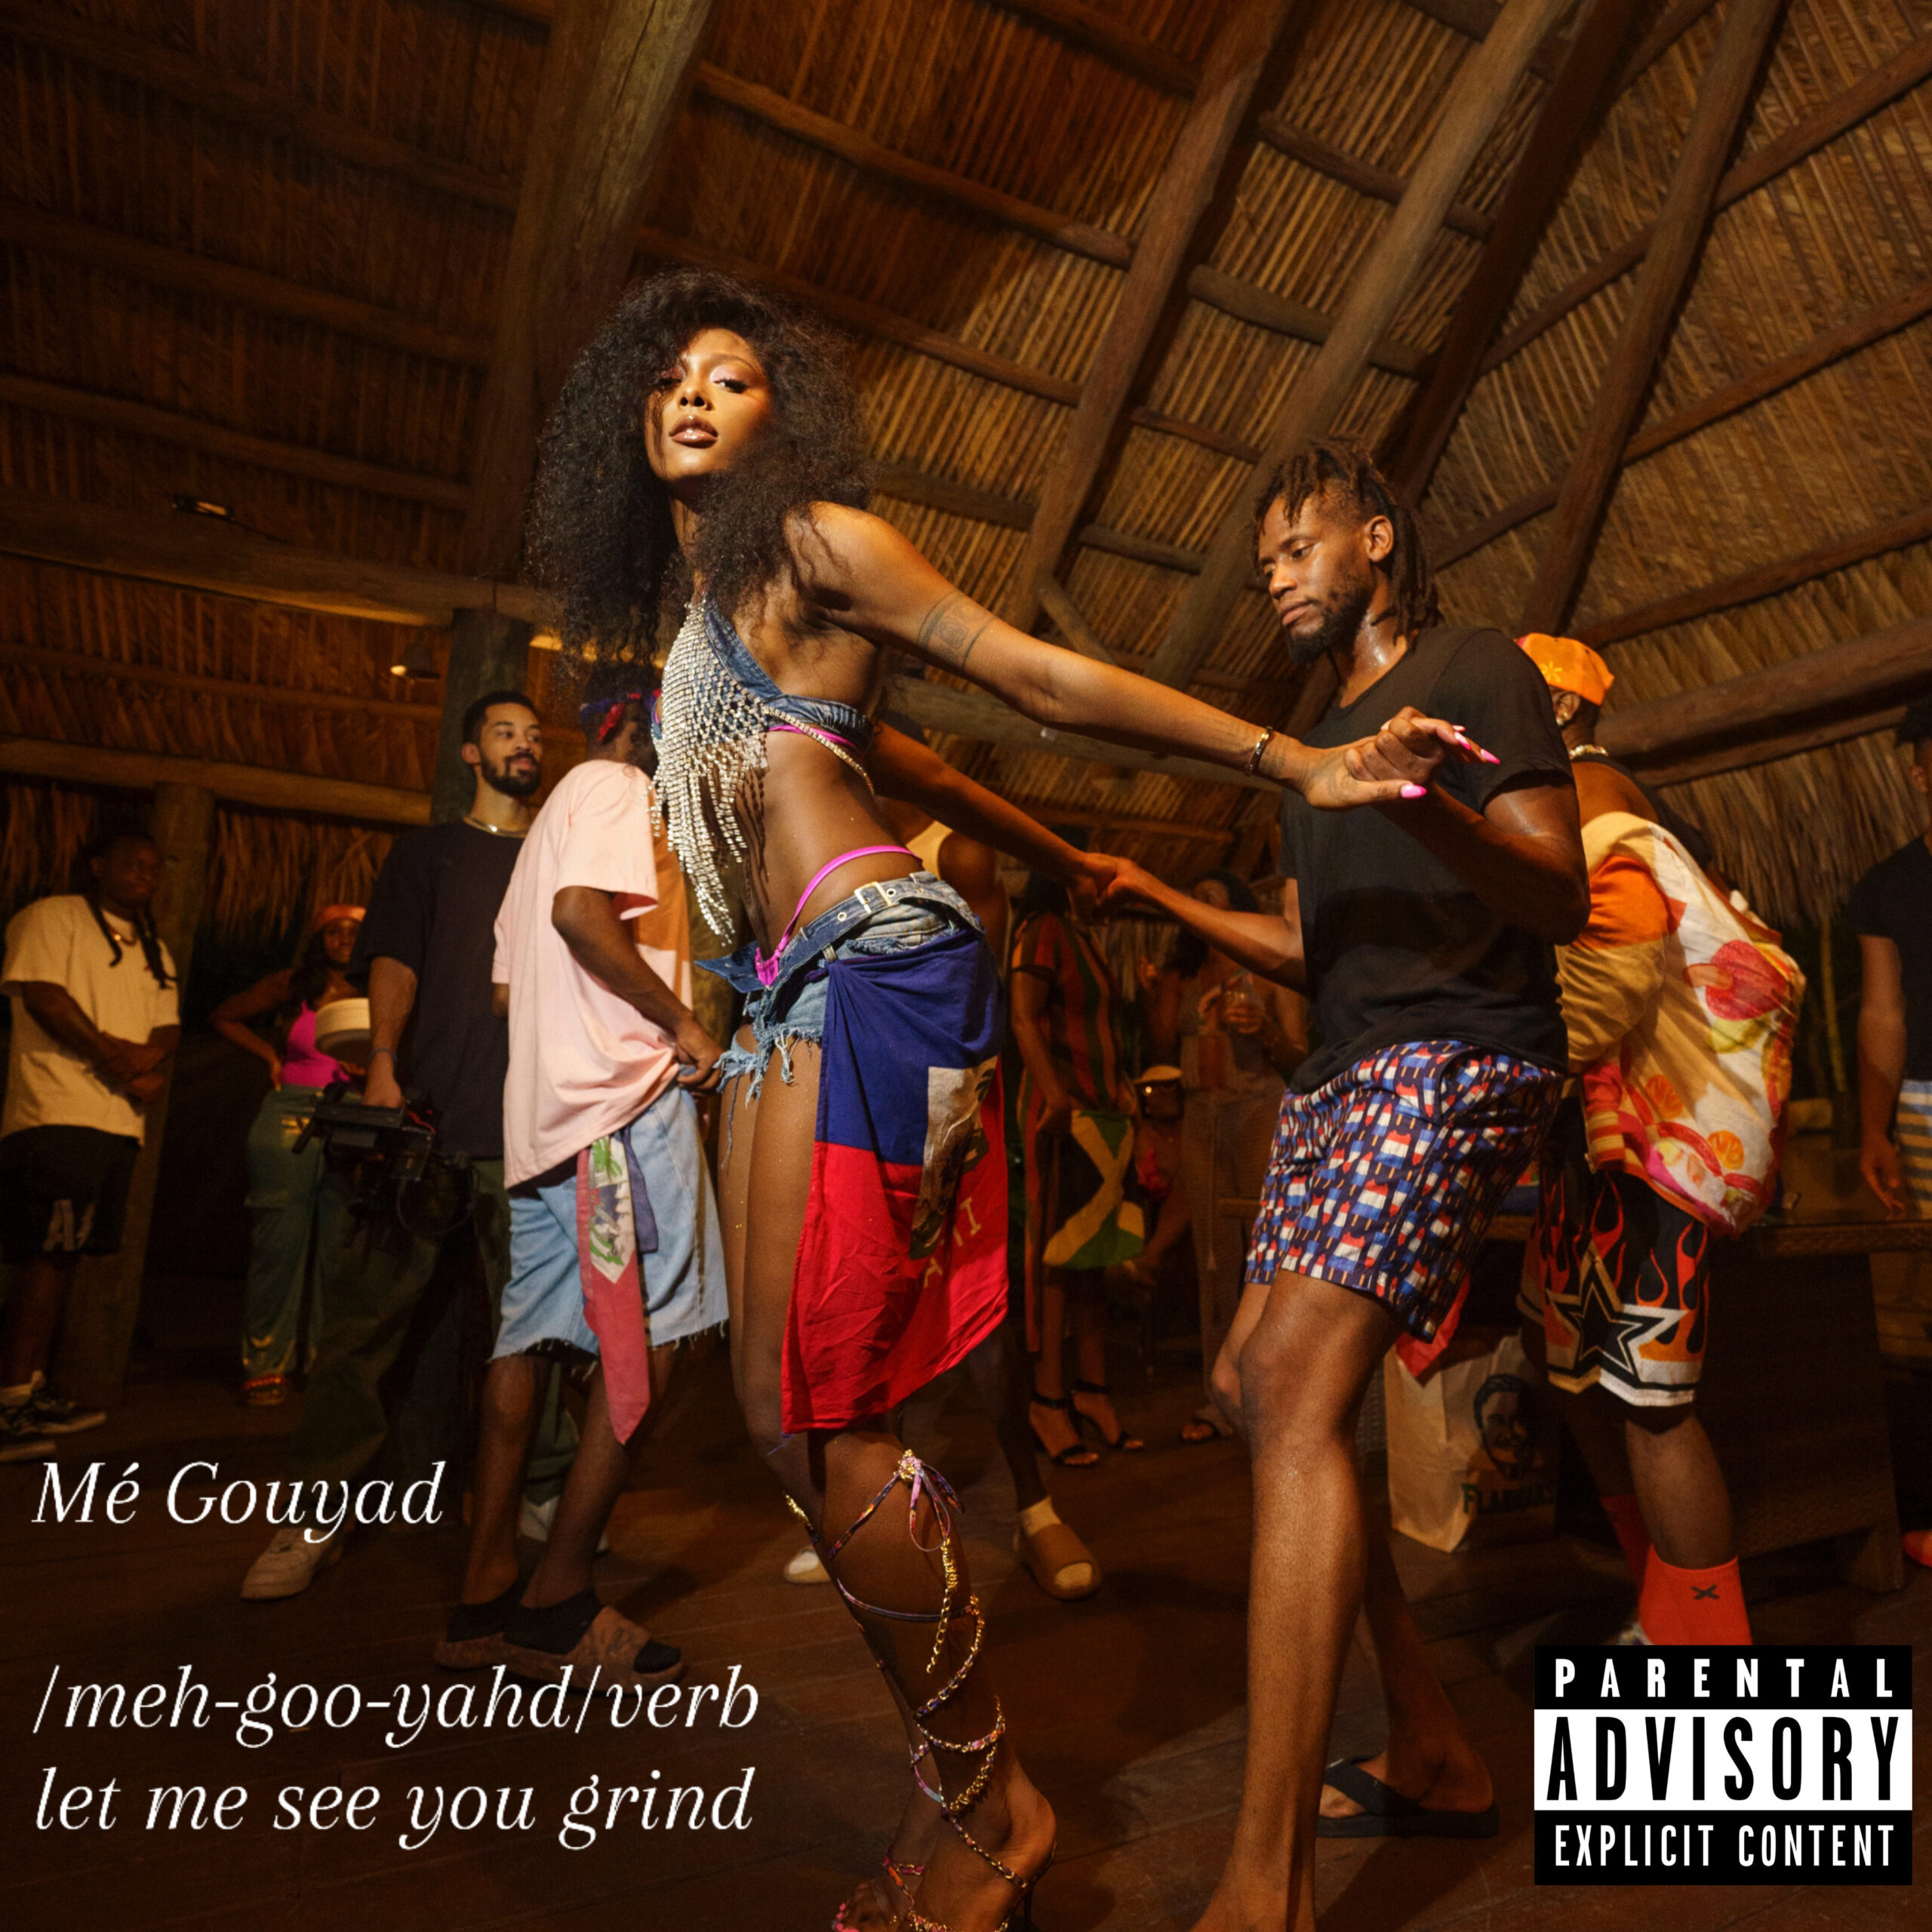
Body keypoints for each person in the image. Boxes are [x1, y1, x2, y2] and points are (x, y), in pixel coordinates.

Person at [528, 274, 1471, 1932]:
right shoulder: (696, 619)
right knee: (781, 1422)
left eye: (731, 376)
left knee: (820, 1414)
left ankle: (989, 1808)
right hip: (784, 991)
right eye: (668, 375)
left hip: (874, 962)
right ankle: (968, 1783)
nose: (692, 395)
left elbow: (1024, 672)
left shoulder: (812, 539)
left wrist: (1293, 760)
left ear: (783, 412)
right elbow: (908, 764)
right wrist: (1056, 856)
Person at [1100, 438, 1586, 1927]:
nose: (1278, 578)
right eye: (1264, 566)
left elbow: (1557, 888)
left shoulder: (1476, 666)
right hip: (1341, 1077)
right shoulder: (1314, 748)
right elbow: (1316, 949)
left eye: (1298, 546)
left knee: (1294, 1385)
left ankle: (1266, 1887)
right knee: (1250, 1389)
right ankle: (1430, 1742)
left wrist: (1420, 799)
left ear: (1375, 537)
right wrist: (1162, 896)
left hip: (1458, 1052)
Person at [240, 692, 576, 1600]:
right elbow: (394, 960)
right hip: (424, 1119)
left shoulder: (558, 858)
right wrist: (384, 1062)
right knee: (364, 1326)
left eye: (534, 735)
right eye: (505, 732)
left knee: (536, 1326)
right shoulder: (429, 852)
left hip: (529, 1130)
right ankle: (316, 1512)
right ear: (471, 752)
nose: (524, 746)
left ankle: (541, 1492)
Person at [435, 681, 727, 1686]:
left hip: (549, 1120)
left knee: (529, 1336)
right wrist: (682, 1024)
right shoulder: (617, 787)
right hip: (621, 1109)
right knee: (661, 1333)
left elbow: (505, 988)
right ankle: (557, 1599)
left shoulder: (544, 830)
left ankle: (483, 1595)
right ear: (636, 726)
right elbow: (579, 916)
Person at [1512, 634, 1800, 1647]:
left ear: (1558, 711)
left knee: (1650, 1399)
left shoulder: (1591, 802)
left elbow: (1616, 982)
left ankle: (1712, 1650)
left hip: (1650, 1143)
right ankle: (1662, 1607)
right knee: (1577, 1371)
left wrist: (1504, 1053)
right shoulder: (1580, 802)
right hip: (1603, 1137)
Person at [782, 786, 1099, 1602]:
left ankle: (1033, 1509)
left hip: (939, 1103)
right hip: (849, 1096)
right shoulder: (813, 840)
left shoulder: (953, 849)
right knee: (860, 1299)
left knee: (974, 1304)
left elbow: (973, 1006)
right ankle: (869, 1505)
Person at [1, 831, 178, 1460]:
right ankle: (10, 1403)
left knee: (67, 1257)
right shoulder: (52, 917)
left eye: (153, 866)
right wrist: (118, 1061)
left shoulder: (155, 947)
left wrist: (144, 1061)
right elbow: (45, 998)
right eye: (132, 861)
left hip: (116, 1122)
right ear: (97, 865)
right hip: (55, 1111)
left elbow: (167, 1025)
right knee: (42, 1257)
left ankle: (31, 1389)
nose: (145, 872)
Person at [1144, 870, 1307, 1443]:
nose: (1199, 904)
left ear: (1238, 905)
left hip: (1258, 1110)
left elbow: (1300, 1058)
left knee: (1265, 1252)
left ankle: (1271, 1385)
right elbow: (1162, 1046)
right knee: (1212, 1257)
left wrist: (1264, 1032)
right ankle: (1219, 1397)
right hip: (1201, 1116)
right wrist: (1161, 993)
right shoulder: (1187, 974)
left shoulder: (1267, 961)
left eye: (1211, 897)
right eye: (1194, 898)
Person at [1009, 875, 1149, 1463]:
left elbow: (1101, 1029)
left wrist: (1121, 1087)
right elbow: (1022, 1016)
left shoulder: (1083, 937)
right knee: (1058, 1257)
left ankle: (1092, 1391)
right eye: (1093, 876)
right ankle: (1047, 1401)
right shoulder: (1043, 930)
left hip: (1100, 1115)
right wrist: (1055, 1094)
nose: (1103, 886)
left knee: (1094, 1255)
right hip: (1060, 1115)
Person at [212, 905, 365, 1405]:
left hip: (353, 1117)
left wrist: (373, 1067)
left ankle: (323, 1361)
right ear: (319, 938)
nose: (345, 939)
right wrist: (270, 1056)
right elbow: (225, 1016)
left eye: (355, 932)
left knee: (338, 1249)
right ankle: (265, 1364)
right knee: (279, 1244)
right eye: (335, 931)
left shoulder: (378, 989)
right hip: (290, 1112)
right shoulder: (294, 984)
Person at [1851, 694, 1932, 1220]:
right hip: (1928, 1101)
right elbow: (1883, 1013)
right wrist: (1874, 1130)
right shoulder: (1886, 887)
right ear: (1920, 777)